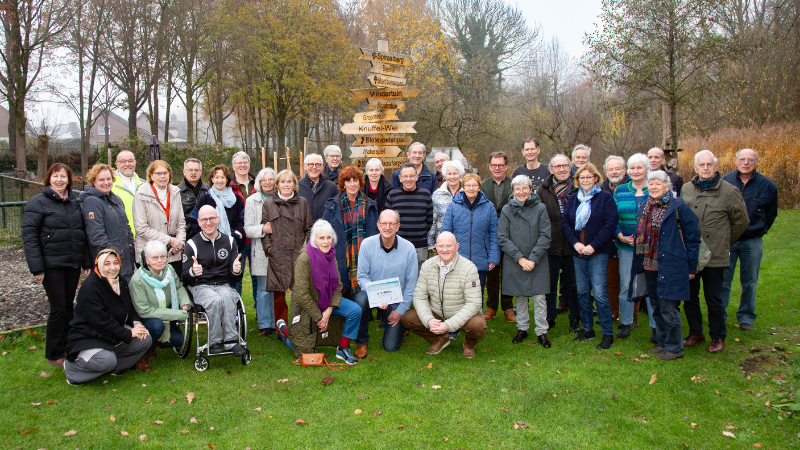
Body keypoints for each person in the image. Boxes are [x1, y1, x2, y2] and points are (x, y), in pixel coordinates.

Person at [23, 163, 91, 366]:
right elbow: (29, 237)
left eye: (64, 176)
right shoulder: (37, 203)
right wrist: (37, 268)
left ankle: (69, 346)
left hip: (71, 264)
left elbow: (82, 234)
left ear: (70, 180)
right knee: (58, 308)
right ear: (49, 179)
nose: (60, 180)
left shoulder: (72, 202)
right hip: (51, 264)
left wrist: (85, 261)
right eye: (56, 176)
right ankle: (54, 353)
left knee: (69, 306)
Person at [681, 150, 749, 353]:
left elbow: (741, 220)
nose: (705, 168)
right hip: (691, 253)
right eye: (701, 165)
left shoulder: (729, 191)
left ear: (716, 166)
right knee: (690, 296)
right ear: (695, 167)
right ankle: (696, 332)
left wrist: (724, 240)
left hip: (715, 254)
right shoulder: (686, 189)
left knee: (713, 298)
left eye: (709, 164)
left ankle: (718, 337)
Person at [630, 171, 700, 360]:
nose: (653, 187)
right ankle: (662, 342)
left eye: (657, 183)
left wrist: (691, 268)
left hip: (671, 265)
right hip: (649, 263)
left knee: (669, 307)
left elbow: (693, 239)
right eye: (650, 183)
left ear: (667, 186)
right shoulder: (645, 205)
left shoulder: (678, 208)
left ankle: (675, 348)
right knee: (656, 306)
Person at [64, 249, 152, 385]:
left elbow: (129, 306)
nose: (112, 268)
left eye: (116, 263)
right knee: (107, 360)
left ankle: (115, 368)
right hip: (89, 335)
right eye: (107, 264)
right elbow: (100, 321)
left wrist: (137, 324)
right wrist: (128, 332)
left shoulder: (120, 281)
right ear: (98, 265)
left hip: (112, 333)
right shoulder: (90, 287)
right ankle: (73, 371)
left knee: (145, 338)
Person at [280, 220, 362, 365]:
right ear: (314, 239)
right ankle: (286, 333)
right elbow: (302, 294)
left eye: (329, 238)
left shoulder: (331, 254)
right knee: (305, 349)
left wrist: (329, 310)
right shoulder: (304, 259)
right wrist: (319, 317)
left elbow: (338, 286)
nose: (326, 242)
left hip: (328, 302)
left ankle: (342, 348)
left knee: (355, 310)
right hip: (308, 306)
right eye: (321, 238)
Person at [402, 232, 487, 358]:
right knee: (408, 318)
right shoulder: (427, 265)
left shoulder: (469, 268)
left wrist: (448, 325)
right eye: (441, 246)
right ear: (436, 247)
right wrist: (429, 320)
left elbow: (474, 303)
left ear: (457, 246)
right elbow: (420, 296)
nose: (445, 250)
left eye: (449, 246)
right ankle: (439, 340)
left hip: (461, 314)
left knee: (478, 326)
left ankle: (469, 344)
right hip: (437, 312)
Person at [562, 163, 619, 350]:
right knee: (582, 292)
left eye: (589, 177)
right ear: (577, 180)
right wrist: (576, 243)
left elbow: (610, 225)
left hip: (598, 253)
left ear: (596, 178)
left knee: (600, 294)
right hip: (578, 252)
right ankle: (587, 329)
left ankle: (607, 333)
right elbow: (566, 224)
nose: (585, 180)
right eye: (581, 178)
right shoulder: (573, 200)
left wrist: (593, 246)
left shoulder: (605, 198)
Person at [720, 148, 778, 330]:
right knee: (723, 280)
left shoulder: (767, 186)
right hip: (727, 240)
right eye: (742, 159)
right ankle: (719, 315)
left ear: (756, 162)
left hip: (752, 241)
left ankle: (746, 317)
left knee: (749, 281)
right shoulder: (725, 182)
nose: (746, 163)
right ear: (736, 161)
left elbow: (771, 214)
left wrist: (758, 229)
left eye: (750, 160)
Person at [352, 210, 419, 357]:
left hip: (397, 297)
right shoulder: (367, 245)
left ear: (398, 226)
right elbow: (362, 277)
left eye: (392, 224)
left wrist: (401, 311)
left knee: (390, 346)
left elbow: (411, 284)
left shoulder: (409, 248)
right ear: (378, 225)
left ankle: (402, 325)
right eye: (384, 223)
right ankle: (362, 341)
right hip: (373, 292)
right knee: (359, 300)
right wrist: (377, 296)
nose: (387, 227)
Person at [183, 205, 246, 356]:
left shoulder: (229, 241)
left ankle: (231, 341)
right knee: (215, 300)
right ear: (198, 222)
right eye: (204, 219)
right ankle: (214, 341)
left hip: (222, 284)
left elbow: (235, 277)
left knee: (229, 297)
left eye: (212, 218)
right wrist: (192, 272)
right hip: (200, 286)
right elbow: (184, 276)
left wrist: (236, 270)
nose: (208, 223)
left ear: (218, 219)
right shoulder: (191, 244)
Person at [497, 176, 552, 347]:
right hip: (516, 260)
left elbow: (545, 235)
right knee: (519, 296)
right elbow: (503, 237)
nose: (521, 192)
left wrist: (533, 259)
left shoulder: (540, 208)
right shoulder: (507, 210)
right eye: (517, 189)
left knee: (539, 297)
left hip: (538, 260)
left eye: (525, 188)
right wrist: (520, 259)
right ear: (513, 191)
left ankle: (542, 331)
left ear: (530, 189)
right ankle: (522, 328)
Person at [261, 169, 313, 336]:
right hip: (278, 255)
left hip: (298, 254)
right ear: (277, 185)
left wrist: (305, 251)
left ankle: (300, 326)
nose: (286, 185)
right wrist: (269, 249)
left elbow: (309, 229)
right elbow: (265, 231)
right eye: (282, 182)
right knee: (279, 296)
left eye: (289, 181)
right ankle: (280, 329)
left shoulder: (303, 202)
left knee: (301, 293)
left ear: (294, 184)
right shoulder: (268, 204)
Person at [129, 241, 191, 371]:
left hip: (165, 313)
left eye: (162, 257)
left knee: (178, 339)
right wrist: (178, 314)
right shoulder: (138, 279)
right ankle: (143, 354)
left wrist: (185, 302)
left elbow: (178, 287)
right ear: (146, 259)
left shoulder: (169, 270)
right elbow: (144, 311)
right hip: (146, 318)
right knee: (157, 326)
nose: (159, 261)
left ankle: (154, 343)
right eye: (154, 258)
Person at [441, 173, 500, 305]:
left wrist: (493, 258)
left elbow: (494, 234)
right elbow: (445, 232)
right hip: (458, 259)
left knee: (477, 295)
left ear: (479, 187)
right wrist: (446, 256)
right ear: (463, 187)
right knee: (457, 295)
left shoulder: (489, 206)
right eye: (468, 185)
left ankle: (475, 323)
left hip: (481, 259)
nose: (471, 188)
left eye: (474, 185)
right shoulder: (454, 205)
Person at [322, 166, 379, 302]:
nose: (352, 184)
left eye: (355, 180)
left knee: (363, 290)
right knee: (343, 289)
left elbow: (376, 233)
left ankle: (364, 310)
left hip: (364, 255)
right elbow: (324, 230)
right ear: (343, 184)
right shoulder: (332, 205)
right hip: (340, 253)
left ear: (360, 183)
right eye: (348, 181)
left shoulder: (370, 205)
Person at [537, 155, 579, 332]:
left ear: (570, 168)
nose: (562, 169)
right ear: (551, 169)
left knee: (574, 284)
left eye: (565, 166)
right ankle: (550, 317)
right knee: (550, 283)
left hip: (574, 243)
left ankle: (575, 318)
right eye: (557, 166)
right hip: (551, 243)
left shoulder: (578, 188)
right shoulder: (543, 190)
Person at [612, 153, 651, 340]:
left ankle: (656, 326)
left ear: (646, 169)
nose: (636, 171)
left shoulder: (654, 189)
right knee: (626, 285)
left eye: (640, 168)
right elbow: (613, 218)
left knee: (651, 286)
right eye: (632, 168)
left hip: (651, 249)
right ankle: (626, 323)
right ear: (628, 170)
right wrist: (620, 235)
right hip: (626, 247)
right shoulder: (620, 191)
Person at [189, 165, 246, 285]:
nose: (220, 180)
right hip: (210, 246)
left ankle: (235, 302)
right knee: (214, 278)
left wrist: (238, 233)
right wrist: (205, 236)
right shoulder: (205, 199)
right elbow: (195, 220)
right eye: (217, 177)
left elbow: (243, 219)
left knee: (234, 278)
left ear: (227, 179)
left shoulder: (236, 199)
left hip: (232, 243)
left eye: (223, 177)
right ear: (212, 179)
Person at [80, 163, 136, 282]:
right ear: (93, 181)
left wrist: (131, 247)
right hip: (108, 261)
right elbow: (96, 235)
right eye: (101, 179)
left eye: (108, 179)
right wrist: (112, 258)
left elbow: (126, 227)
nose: (106, 182)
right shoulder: (92, 202)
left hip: (125, 257)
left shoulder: (116, 199)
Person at [133, 160, 186, 275]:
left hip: (173, 253)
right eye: (158, 173)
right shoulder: (141, 195)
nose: (162, 176)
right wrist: (169, 240)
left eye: (165, 173)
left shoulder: (176, 192)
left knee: (173, 288)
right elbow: (141, 228)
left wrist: (179, 243)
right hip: (150, 253)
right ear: (151, 176)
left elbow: (181, 223)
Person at [482, 151, 516, 322]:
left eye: (500, 165)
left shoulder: (514, 184)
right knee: (492, 271)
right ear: (489, 166)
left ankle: (508, 307)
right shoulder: (483, 185)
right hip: (490, 236)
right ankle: (491, 306)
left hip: (510, 235)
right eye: (494, 165)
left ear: (506, 166)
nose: (497, 168)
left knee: (509, 271)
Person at [244, 167, 277, 335]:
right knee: (263, 288)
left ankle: (279, 322)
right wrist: (263, 228)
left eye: (271, 179)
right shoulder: (252, 201)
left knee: (278, 289)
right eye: (264, 180)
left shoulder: (282, 198)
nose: (267, 183)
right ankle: (265, 324)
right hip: (261, 250)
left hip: (280, 250)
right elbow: (247, 229)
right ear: (258, 183)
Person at [385, 162, 433, 271]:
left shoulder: (425, 194)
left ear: (416, 177)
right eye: (405, 176)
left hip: (420, 246)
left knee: (420, 279)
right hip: (398, 246)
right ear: (400, 178)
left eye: (411, 176)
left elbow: (429, 220)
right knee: (398, 276)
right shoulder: (393, 195)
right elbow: (387, 220)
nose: (408, 179)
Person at [601, 155, 629, 325]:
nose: (614, 172)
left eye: (618, 168)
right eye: (611, 169)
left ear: (624, 171)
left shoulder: (631, 188)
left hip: (628, 240)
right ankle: (613, 312)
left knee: (629, 281)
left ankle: (630, 316)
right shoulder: (601, 190)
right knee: (610, 280)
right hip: (608, 242)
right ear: (605, 172)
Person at [230, 152, 256, 295]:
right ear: (233, 166)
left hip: (256, 238)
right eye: (239, 163)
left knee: (258, 278)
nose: (242, 165)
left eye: (245, 162)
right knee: (236, 276)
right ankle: (236, 313)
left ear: (249, 164)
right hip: (237, 239)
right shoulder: (228, 186)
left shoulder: (258, 184)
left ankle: (260, 312)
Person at [428, 160, 464, 250]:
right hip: (442, 240)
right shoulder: (437, 195)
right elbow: (433, 219)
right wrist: (431, 241)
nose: (452, 177)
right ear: (444, 176)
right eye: (449, 174)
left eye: (455, 173)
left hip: (463, 240)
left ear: (461, 175)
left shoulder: (467, 193)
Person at [298, 153, 339, 222]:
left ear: (322, 167)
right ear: (305, 166)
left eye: (317, 164)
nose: (314, 167)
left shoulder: (331, 187)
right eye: (310, 164)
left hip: (325, 231)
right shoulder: (297, 187)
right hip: (303, 231)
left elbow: (337, 212)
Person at [111, 150, 144, 235]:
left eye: (130, 161)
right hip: (121, 238)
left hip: (143, 238)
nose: (127, 164)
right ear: (116, 164)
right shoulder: (110, 186)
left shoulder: (144, 185)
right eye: (123, 161)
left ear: (135, 162)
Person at [178, 158, 209, 240]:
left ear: (201, 172)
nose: (193, 172)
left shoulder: (209, 191)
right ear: (184, 172)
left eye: (196, 170)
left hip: (206, 237)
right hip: (185, 237)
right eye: (190, 170)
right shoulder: (177, 192)